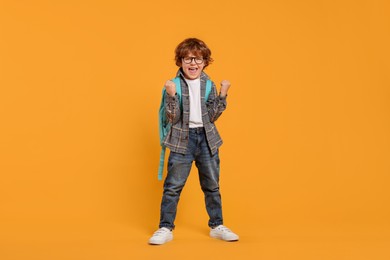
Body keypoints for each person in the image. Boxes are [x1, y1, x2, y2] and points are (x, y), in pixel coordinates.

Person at [149, 38, 239, 245]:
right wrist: (171, 96)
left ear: (205, 62)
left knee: (212, 186)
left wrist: (223, 94)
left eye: (198, 59)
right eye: (188, 58)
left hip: (207, 139)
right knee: (173, 187)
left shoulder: (208, 85)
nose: (193, 63)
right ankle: (165, 228)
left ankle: (217, 225)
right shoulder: (174, 85)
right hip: (182, 140)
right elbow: (172, 118)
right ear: (180, 61)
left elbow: (212, 115)